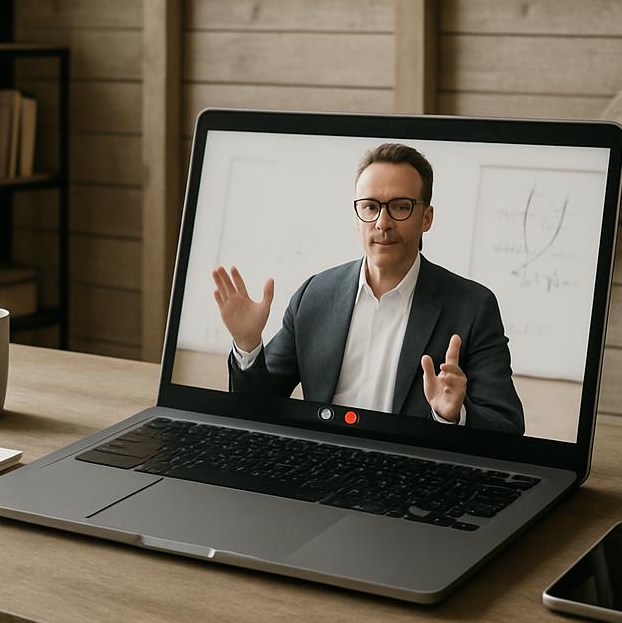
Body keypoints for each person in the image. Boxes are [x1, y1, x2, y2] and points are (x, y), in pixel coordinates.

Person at [212, 143, 524, 434]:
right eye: (370, 207)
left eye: (400, 207)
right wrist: (248, 344)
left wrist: (453, 416)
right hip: (320, 462)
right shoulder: (315, 294)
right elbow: (257, 407)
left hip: (411, 473)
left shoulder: (472, 306)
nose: (382, 222)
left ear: (426, 218)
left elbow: (507, 425)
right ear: (356, 216)